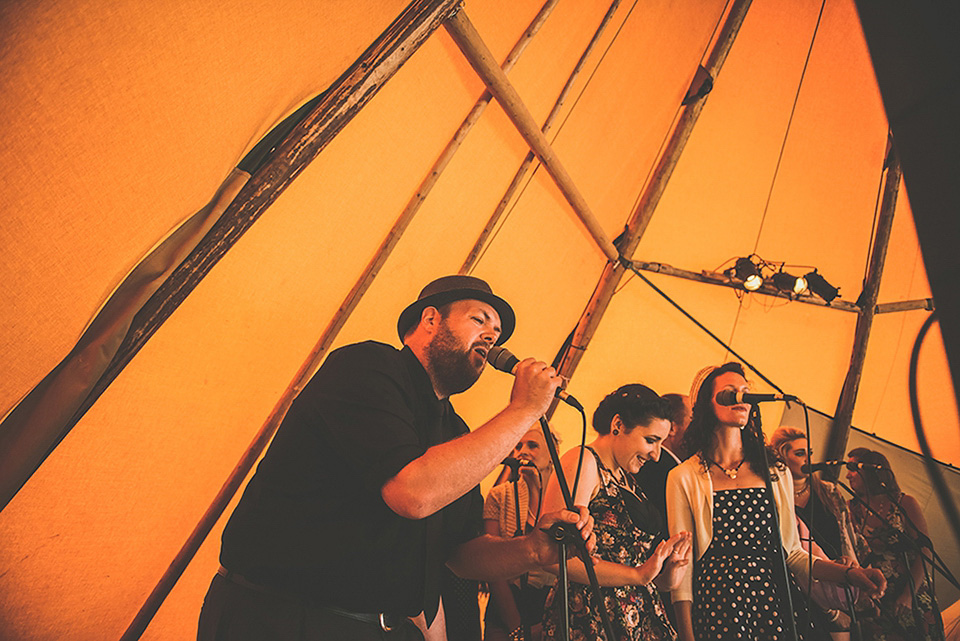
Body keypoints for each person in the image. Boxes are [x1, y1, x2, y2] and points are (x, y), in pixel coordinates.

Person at [197, 274, 594, 640]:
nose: (493, 335)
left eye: (498, 330)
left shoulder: (455, 432)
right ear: (431, 319)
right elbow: (411, 493)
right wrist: (523, 411)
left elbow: (460, 553)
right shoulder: (367, 367)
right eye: (480, 319)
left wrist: (531, 551)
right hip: (284, 618)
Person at [665, 363, 886, 641]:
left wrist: (850, 574)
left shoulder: (774, 470)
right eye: (729, 392)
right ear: (707, 404)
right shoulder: (683, 476)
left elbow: (793, 554)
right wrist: (687, 636)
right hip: (717, 606)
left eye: (746, 392)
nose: (741, 398)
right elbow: (683, 570)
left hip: (772, 602)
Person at [540, 384, 693, 641]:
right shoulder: (583, 462)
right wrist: (637, 574)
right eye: (651, 441)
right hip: (591, 618)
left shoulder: (623, 475)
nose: (656, 455)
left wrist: (668, 572)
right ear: (618, 424)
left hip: (634, 620)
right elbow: (553, 558)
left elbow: (640, 577)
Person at [846, 447, 945, 641]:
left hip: (912, 592)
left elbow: (925, 550)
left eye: (852, 468)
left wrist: (909, 594)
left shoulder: (903, 503)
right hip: (876, 597)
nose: (848, 475)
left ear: (872, 471)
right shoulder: (850, 508)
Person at [482, 428, 558, 641]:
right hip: (505, 607)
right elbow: (491, 564)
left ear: (553, 453)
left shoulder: (567, 497)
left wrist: (549, 623)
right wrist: (516, 627)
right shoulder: (499, 496)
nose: (522, 451)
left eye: (532, 445)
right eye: (517, 446)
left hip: (553, 606)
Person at [769, 426, 863, 563]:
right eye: (800, 453)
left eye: (810, 452)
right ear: (782, 458)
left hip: (839, 573)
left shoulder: (829, 491)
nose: (809, 459)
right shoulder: (775, 496)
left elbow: (850, 537)